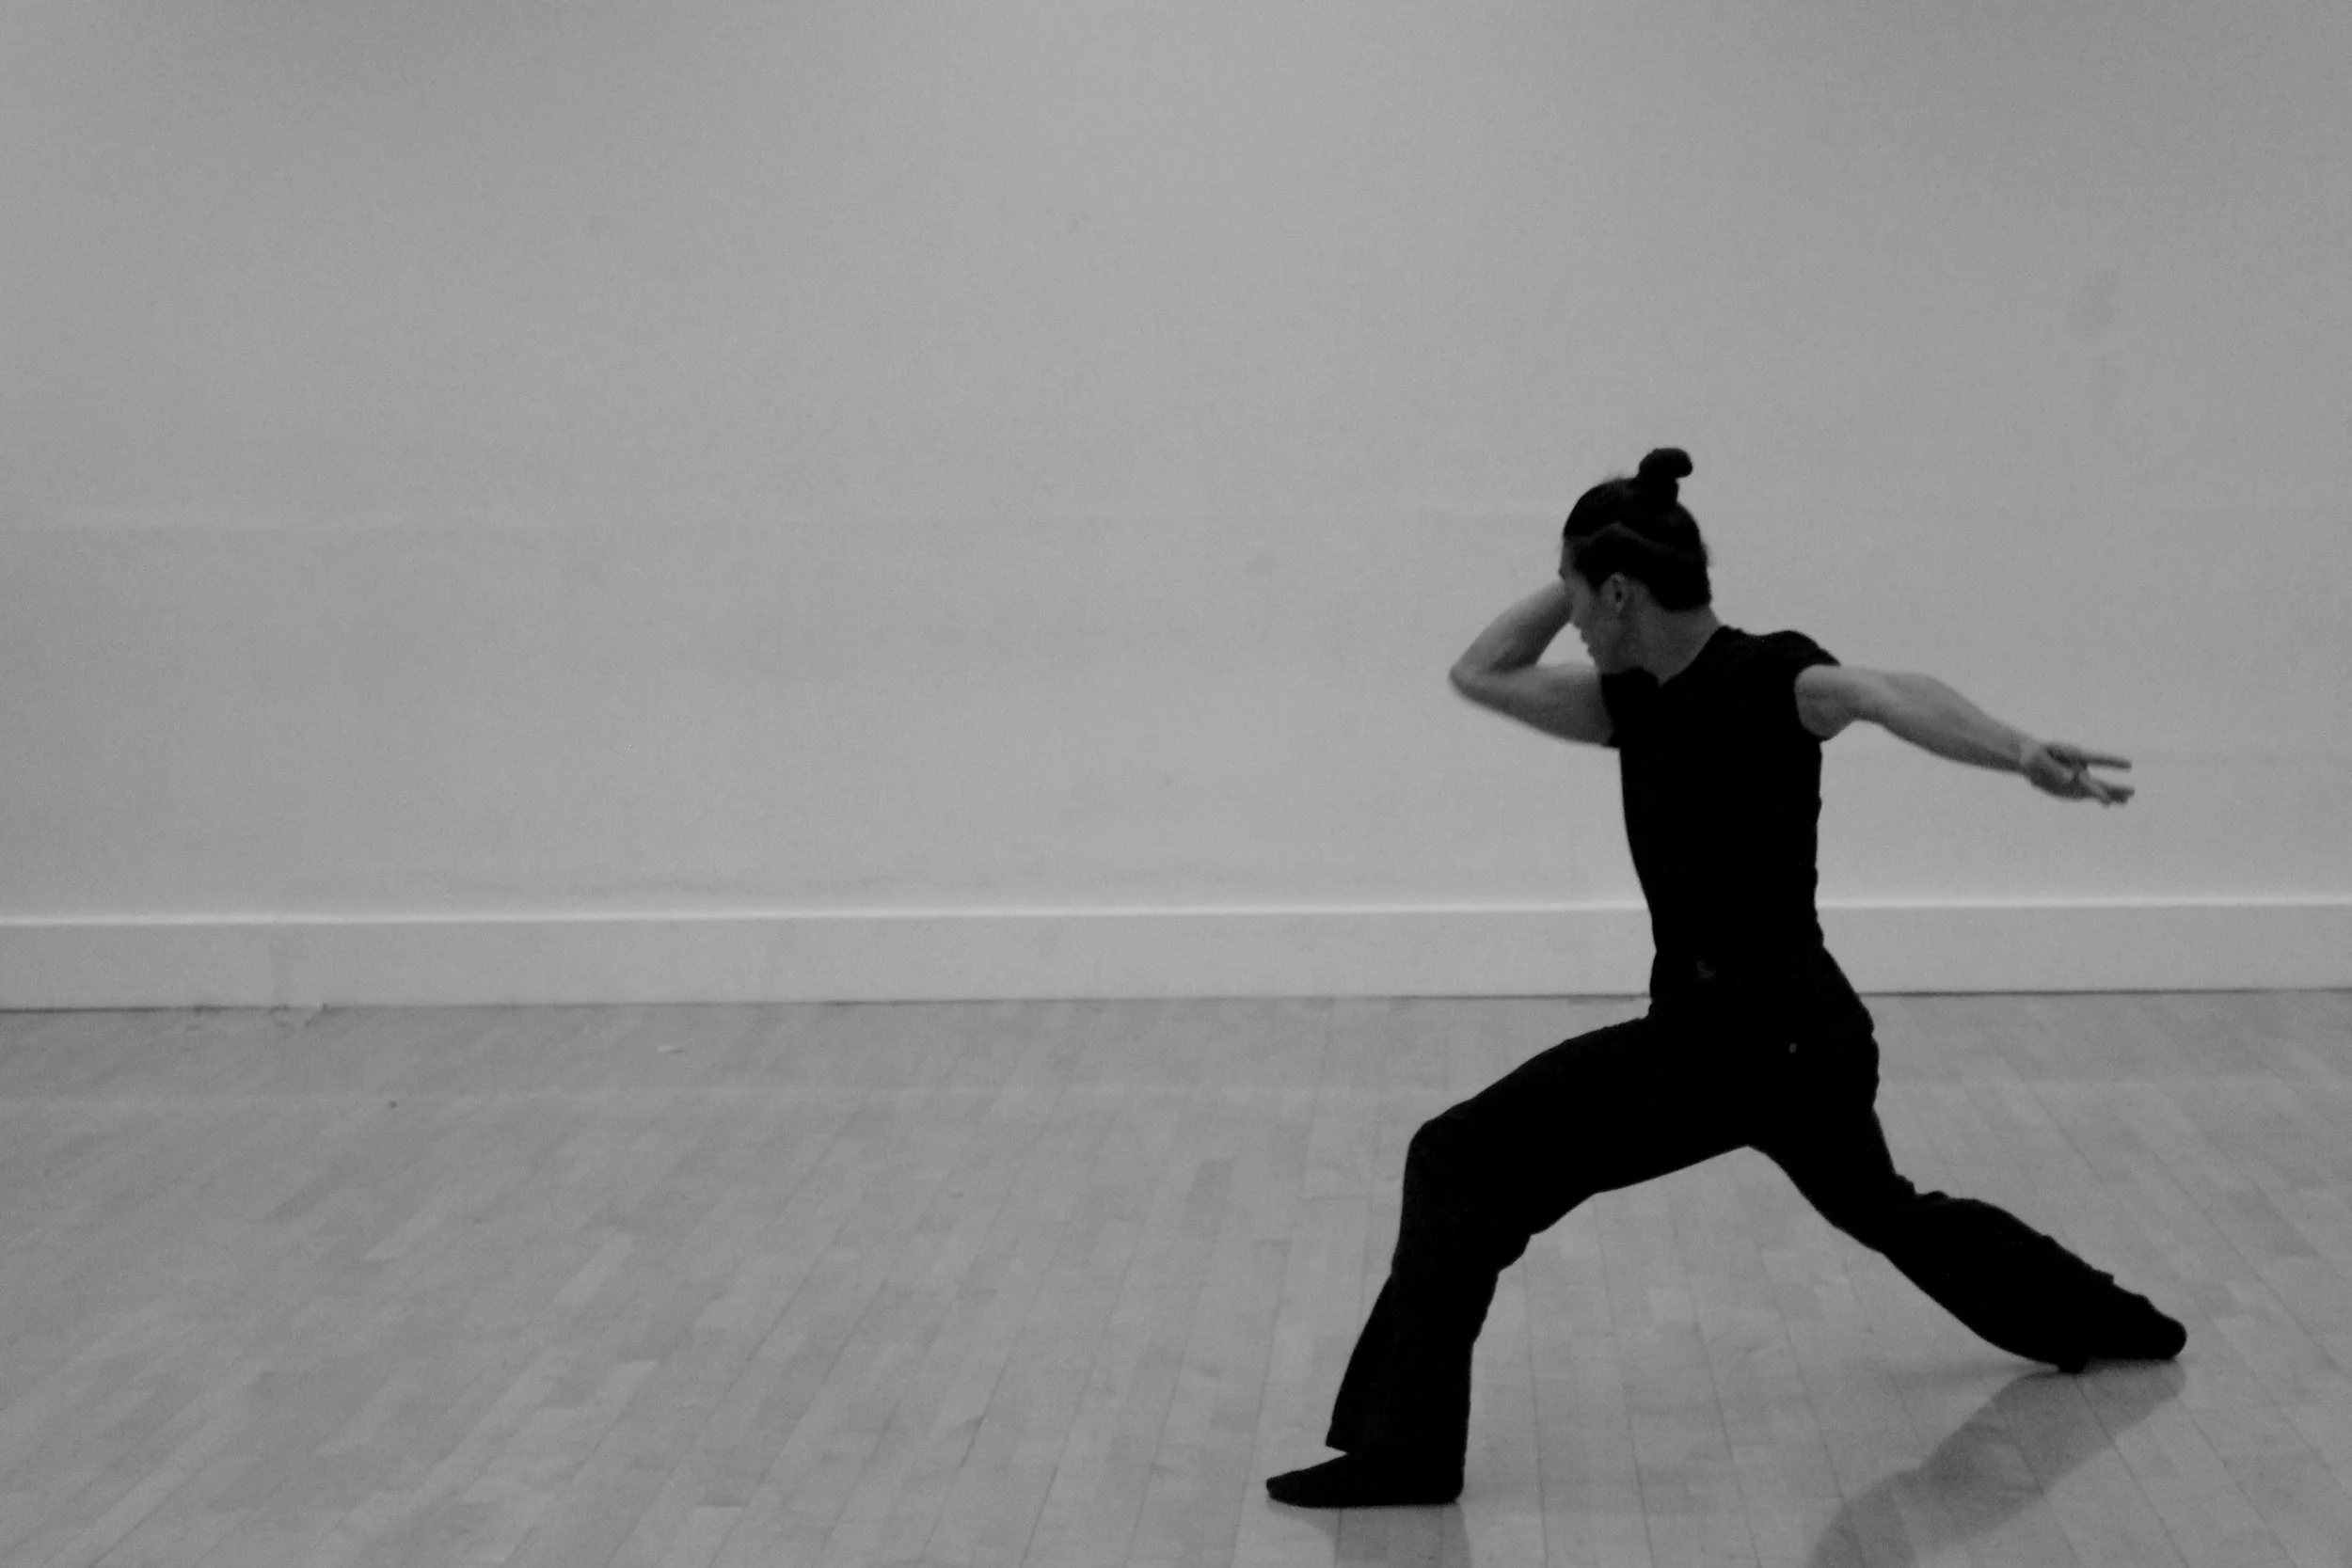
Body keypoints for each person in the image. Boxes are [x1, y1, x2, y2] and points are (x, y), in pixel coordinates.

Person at [1264, 447, 2185, 1511]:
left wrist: (2018, 749)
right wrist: (1598, 550)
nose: (1566, 615)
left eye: (1577, 593)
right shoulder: (1631, 703)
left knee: (1460, 1156)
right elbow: (1482, 671)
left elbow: (1892, 693)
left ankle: (1406, 1450)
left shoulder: (1775, 678)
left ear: (1618, 593)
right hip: (1781, 1033)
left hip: (1749, 1035)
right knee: (1884, 1208)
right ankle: (2119, 1324)